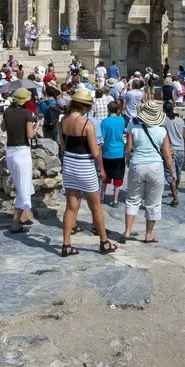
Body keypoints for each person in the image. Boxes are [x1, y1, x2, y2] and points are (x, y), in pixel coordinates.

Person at [59, 88, 117, 257]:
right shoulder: (87, 123)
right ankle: (104, 242)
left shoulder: (63, 121)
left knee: (71, 207)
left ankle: (66, 244)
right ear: (86, 106)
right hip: (85, 167)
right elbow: (95, 152)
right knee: (96, 206)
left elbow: (63, 147)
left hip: (69, 165)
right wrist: (99, 147)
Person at [120, 101, 172, 244]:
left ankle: (127, 231)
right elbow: (167, 154)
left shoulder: (134, 128)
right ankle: (149, 235)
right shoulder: (162, 131)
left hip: (137, 164)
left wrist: (127, 161)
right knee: (153, 202)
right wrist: (171, 171)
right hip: (155, 166)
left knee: (132, 199)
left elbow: (128, 149)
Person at [2, 89, 37, 233]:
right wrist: (36, 127)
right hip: (22, 152)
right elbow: (30, 135)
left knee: (21, 184)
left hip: (10, 152)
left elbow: (3, 128)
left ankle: (23, 217)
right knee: (24, 188)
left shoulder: (7, 112)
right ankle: (15, 224)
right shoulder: (27, 114)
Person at [99, 101, 127, 207]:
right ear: (118, 110)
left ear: (108, 110)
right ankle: (115, 200)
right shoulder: (122, 120)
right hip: (119, 151)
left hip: (107, 152)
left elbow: (102, 137)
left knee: (105, 176)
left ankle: (102, 196)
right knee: (118, 177)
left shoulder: (105, 122)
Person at [162, 101, 185, 207]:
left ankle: (175, 198)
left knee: (170, 173)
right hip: (181, 149)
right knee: (178, 171)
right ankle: (175, 190)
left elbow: (163, 136)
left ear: (164, 110)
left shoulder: (164, 121)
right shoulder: (180, 120)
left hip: (170, 150)